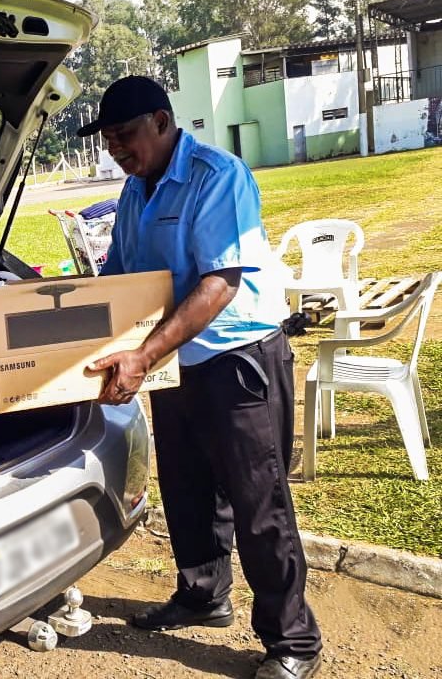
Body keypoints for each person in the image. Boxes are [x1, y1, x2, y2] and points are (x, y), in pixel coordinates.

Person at [80, 76, 322, 679]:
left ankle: (293, 641)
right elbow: (119, 277)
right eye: (108, 140)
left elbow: (220, 283)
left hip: (237, 360)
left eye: (124, 134)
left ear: (162, 122)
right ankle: (203, 595)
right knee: (187, 490)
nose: (116, 149)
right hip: (173, 363)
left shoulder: (218, 176)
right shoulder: (134, 191)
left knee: (258, 503)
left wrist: (142, 356)